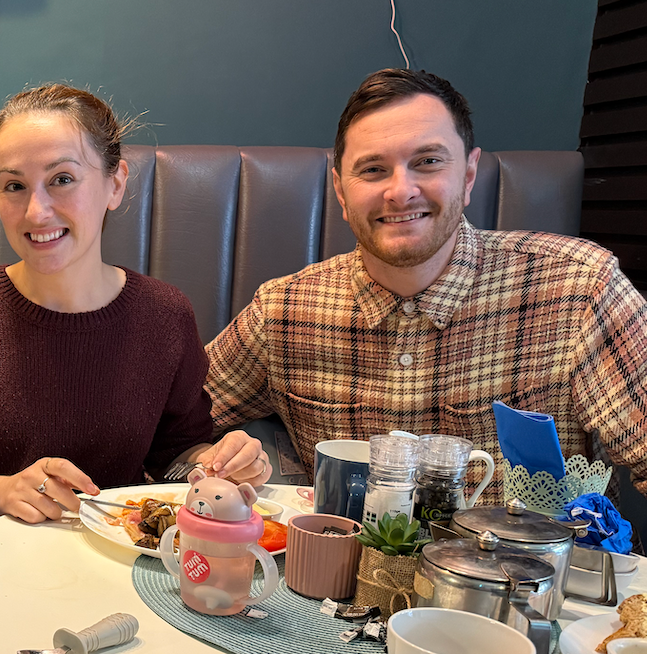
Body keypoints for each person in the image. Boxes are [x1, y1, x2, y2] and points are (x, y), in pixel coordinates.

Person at [204, 68, 647, 505]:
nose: (401, 191)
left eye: (428, 162)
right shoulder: (283, 311)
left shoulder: (580, 288)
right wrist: (227, 458)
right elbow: (172, 428)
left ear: (469, 174)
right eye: (373, 169)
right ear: (340, 191)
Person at [0, 83, 271, 558]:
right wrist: (4, 492)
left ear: (115, 183)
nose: (36, 210)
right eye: (14, 185)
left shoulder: (166, 316)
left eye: (62, 179)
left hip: (119, 570)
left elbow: (177, 457)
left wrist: (218, 464)